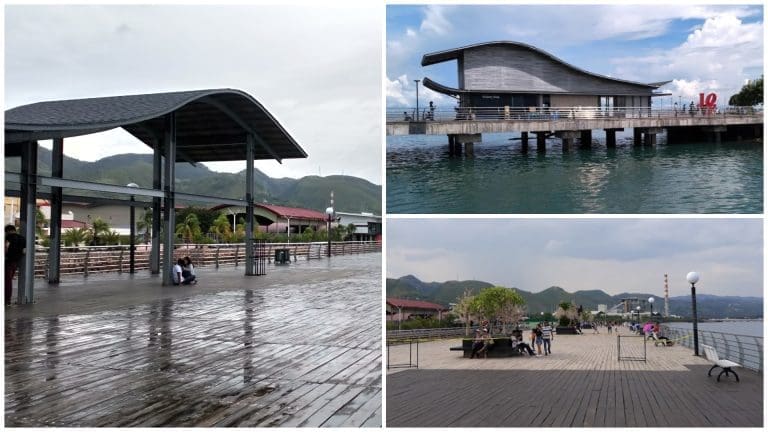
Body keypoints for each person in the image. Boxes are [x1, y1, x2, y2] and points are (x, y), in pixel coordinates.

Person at [5, 225, 26, 305]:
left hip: (7, 261)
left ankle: (6, 299)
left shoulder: (9, 237)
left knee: (6, 281)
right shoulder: (22, 238)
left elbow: (6, 247)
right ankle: (7, 300)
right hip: (15, 262)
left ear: (8, 231)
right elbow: (24, 251)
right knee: (9, 280)